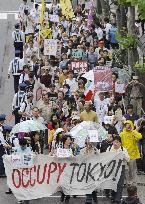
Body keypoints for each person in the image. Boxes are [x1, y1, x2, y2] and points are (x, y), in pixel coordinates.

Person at [108, 136, 130, 204]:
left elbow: (128, 159)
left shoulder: (123, 149)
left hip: (121, 167)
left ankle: (118, 198)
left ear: (120, 143)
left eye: (117, 142)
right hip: (112, 168)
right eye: (114, 141)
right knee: (113, 183)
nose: (115, 143)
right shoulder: (109, 149)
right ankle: (113, 197)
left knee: (120, 184)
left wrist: (123, 155)